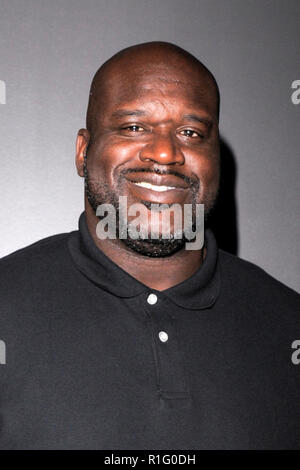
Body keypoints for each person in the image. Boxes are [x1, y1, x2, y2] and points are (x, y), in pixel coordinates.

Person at [0, 41, 299, 450]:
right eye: (134, 127)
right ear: (83, 152)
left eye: (191, 133)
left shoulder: (287, 325)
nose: (164, 151)